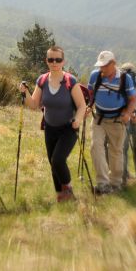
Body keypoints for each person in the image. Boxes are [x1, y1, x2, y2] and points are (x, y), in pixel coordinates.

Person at [18, 46, 86, 202]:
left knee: (57, 160)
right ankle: (60, 196)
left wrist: (78, 120)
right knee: (52, 163)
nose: (54, 63)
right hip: (50, 128)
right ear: (46, 61)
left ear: (63, 61)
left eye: (58, 59)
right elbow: (34, 104)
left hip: (69, 128)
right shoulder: (42, 80)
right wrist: (25, 93)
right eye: (51, 59)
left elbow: (81, 105)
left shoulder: (70, 81)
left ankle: (68, 190)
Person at [87, 51, 136, 194]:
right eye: (100, 65)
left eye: (105, 65)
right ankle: (103, 184)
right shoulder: (94, 76)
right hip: (99, 118)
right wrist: (89, 106)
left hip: (117, 120)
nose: (102, 68)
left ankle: (115, 183)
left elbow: (133, 99)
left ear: (113, 63)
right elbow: (90, 92)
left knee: (115, 151)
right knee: (95, 147)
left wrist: (128, 113)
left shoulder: (124, 78)